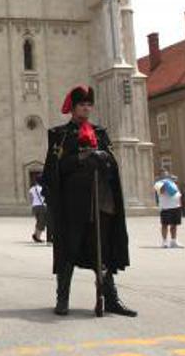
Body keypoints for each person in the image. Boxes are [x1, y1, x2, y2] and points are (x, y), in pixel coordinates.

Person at [43, 85, 136, 317]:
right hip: (73, 204)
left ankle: (110, 298)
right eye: (82, 105)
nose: (86, 108)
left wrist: (104, 158)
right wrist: (82, 158)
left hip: (100, 201)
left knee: (102, 250)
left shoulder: (100, 133)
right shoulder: (60, 135)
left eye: (88, 105)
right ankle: (62, 298)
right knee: (69, 249)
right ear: (73, 108)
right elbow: (54, 169)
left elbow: (113, 164)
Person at [153, 170, 184, 248]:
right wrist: (165, 182)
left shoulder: (172, 182)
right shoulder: (158, 184)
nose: (165, 176)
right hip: (165, 207)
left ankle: (174, 241)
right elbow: (162, 191)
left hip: (176, 206)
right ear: (160, 176)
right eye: (163, 175)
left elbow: (177, 193)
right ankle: (164, 241)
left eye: (166, 175)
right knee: (165, 225)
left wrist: (180, 204)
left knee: (174, 225)